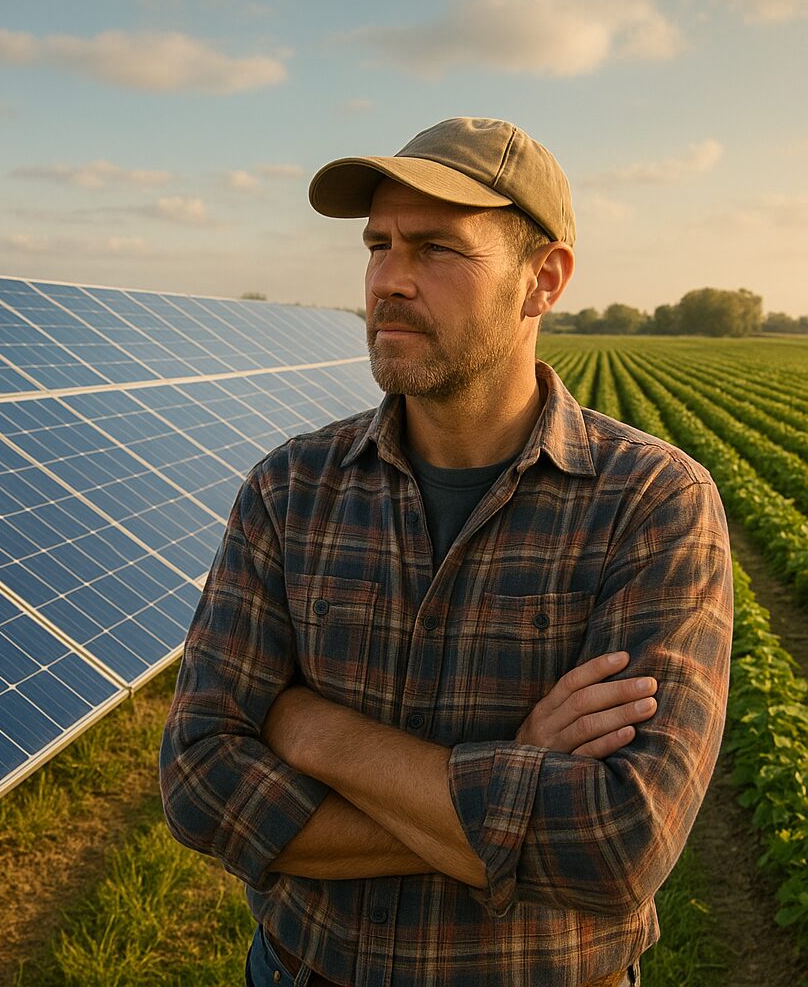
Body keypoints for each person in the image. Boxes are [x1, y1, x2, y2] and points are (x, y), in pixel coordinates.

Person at [159, 117, 732, 987]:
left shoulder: (651, 504)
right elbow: (201, 783)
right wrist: (513, 775)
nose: (388, 280)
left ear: (543, 280)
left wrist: (315, 731)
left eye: (436, 249)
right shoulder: (290, 489)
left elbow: (620, 846)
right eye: (378, 245)